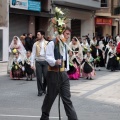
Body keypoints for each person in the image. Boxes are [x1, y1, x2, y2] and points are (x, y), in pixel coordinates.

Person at [40, 27, 78, 120]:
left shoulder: (65, 44)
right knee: (50, 97)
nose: (68, 36)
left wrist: (68, 68)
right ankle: (44, 117)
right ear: (61, 33)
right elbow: (48, 57)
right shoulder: (52, 43)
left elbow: (65, 59)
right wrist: (54, 62)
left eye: (69, 34)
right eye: (67, 34)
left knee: (67, 99)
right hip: (53, 73)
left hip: (63, 74)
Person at [31, 30, 48, 96]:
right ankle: (40, 90)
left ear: (42, 35)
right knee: (39, 77)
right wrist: (32, 63)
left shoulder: (47, 43)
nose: (37, 36)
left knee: (46, 76)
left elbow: (50, 54)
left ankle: (44, 88)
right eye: (37, 34)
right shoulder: (35, 44)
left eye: (38, 34)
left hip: (45, 61)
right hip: (38, 61)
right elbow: (33, 54)